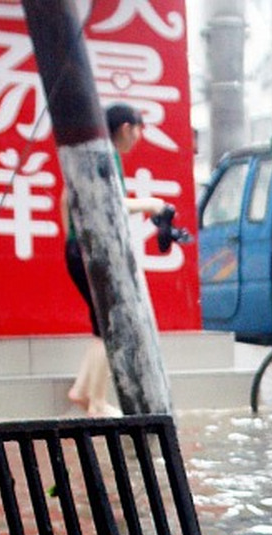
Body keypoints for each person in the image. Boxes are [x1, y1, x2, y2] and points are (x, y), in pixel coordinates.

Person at [63, 103, 167, 416]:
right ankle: (96, 401)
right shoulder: (106, 155)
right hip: (88, 251)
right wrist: (152, 203)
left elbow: (66, 198)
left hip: (76, 249)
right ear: (125, 128)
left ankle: (82, 391)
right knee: (108, 326)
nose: (137, 138)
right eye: (137, 131)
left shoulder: (91, 156)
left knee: (100, 321)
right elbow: (113, 202)